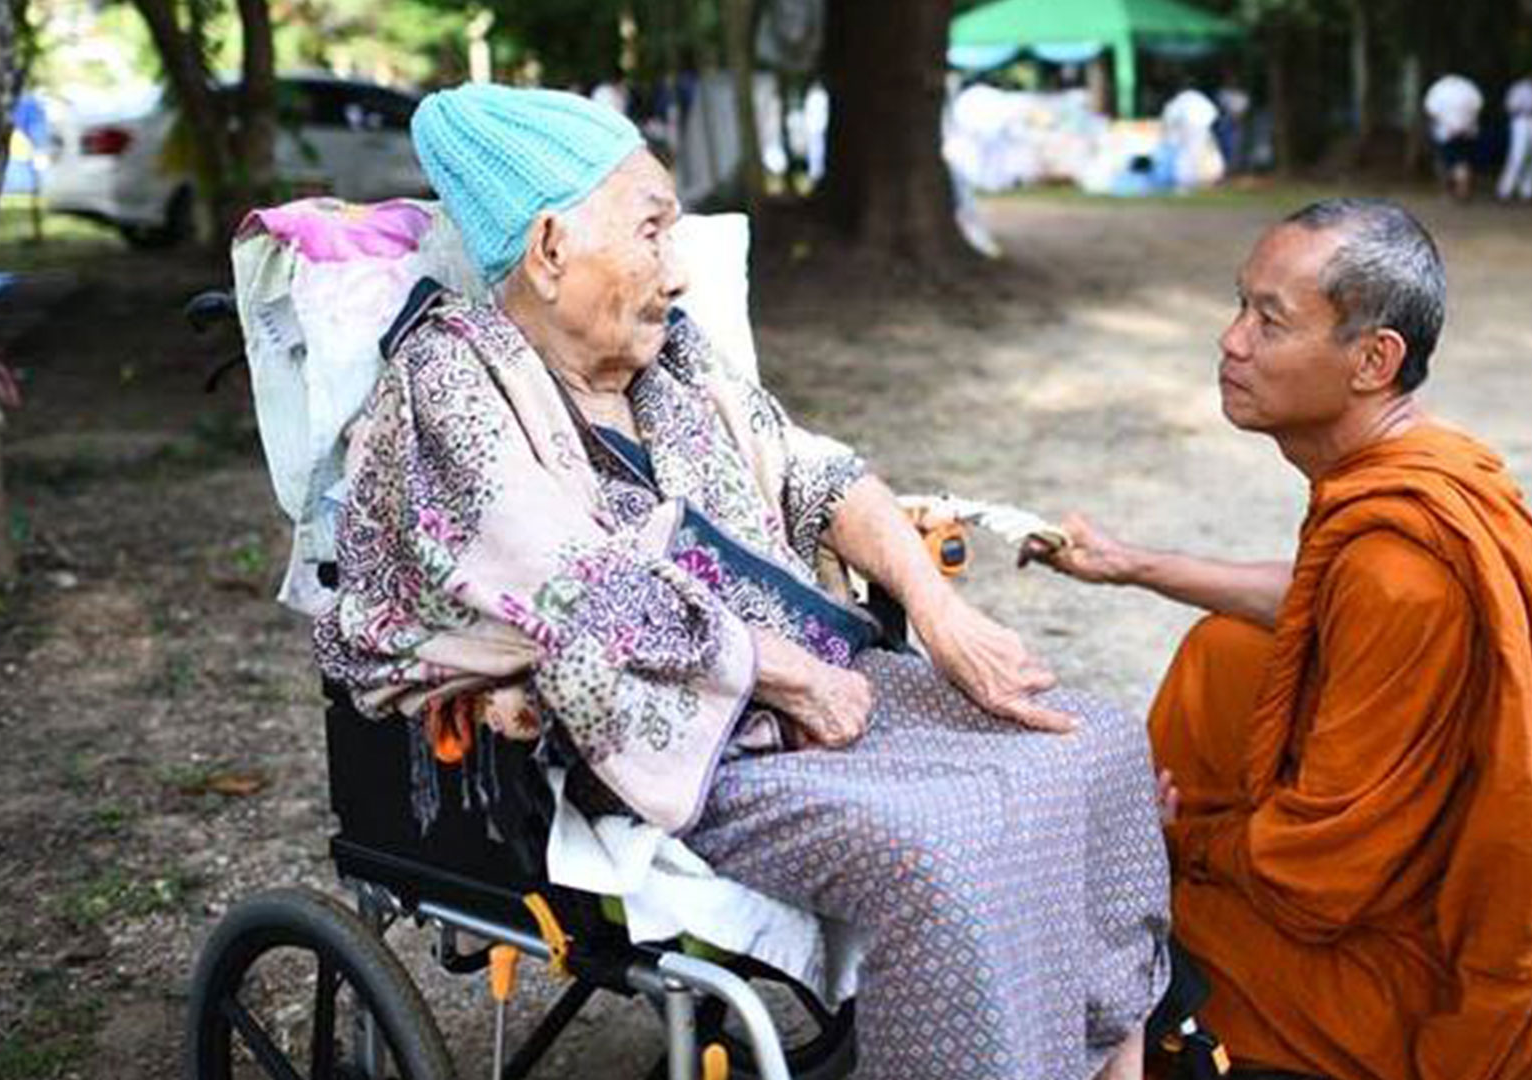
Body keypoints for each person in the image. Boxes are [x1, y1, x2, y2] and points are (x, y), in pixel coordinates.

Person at [316, 85, 1169, 1080]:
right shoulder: (450, 383)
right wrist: (788, 677)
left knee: (1096, 746)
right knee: (941, 846)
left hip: (813, 684)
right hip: (667, 738)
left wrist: (940, 614)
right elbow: (572, 587)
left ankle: (1100, 1062)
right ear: (549, 249)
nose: (678, 271)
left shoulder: (671, 357)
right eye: (652, 231)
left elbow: (815, 472)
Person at [1027, 198, 1532, 1079]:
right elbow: (1317, 597)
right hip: (1377, 879)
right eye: (1239, 306)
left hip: (1409, 973)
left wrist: (1183, 844)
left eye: (1269, 320)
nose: (1231, 341)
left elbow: (1317, 879)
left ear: (1373, 360)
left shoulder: (1402, 566)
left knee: (1077, 932)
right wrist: (1134, 565)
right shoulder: (1403, 481)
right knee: (1224, 651)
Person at [1423, 73, 1483, 200]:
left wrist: (1446, 123)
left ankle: (1448, 191)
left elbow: (1431, 110)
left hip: (1445, 132)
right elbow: (1478, 106)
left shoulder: (1439, 88)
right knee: (1462, 161)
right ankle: (1462, 190)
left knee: (1446, 162)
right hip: (1467, 131)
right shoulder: (1468, 87)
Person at [1496, 72, 1532, 201]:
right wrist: (1526, 108)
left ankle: (1527, 191)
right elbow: (1510, 106)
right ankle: (1505, 190)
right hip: (1522, 121)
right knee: (1518, 155)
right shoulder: (1519, 88)